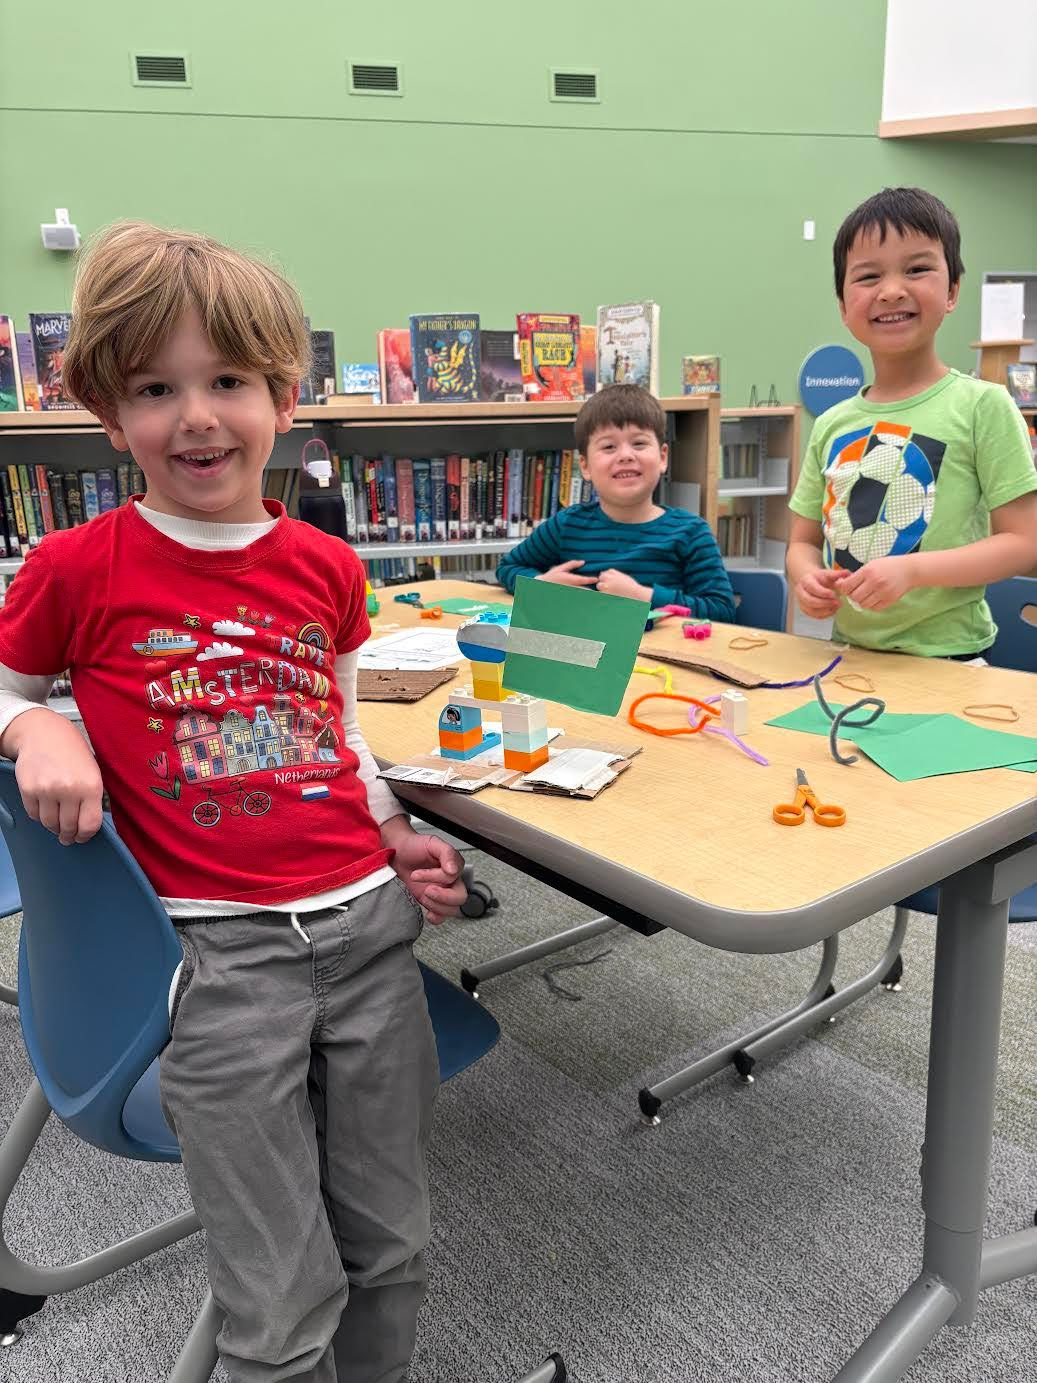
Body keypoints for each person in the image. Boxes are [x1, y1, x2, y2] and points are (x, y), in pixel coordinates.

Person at [0, 221, 468, 1383]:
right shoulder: (77, 568)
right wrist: (36, 720)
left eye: (228, 382)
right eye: (157, 388)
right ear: (113, 415)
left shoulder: (327, 567)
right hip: (217, 965)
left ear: (283, 397)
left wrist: (396, 835)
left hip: (368, 933)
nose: (197, 416)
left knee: (392, 1245)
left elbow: (339, 733)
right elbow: (1, 686)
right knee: (276, 1297)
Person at [788, 186, 1037, 656]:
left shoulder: (983, 405)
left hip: (951, 659)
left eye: (918, 269)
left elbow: (1024, 542)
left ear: (953, 291)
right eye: (867, 276)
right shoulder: (832, 424)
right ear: (843, 306)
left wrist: (913, 571)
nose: (892, 290)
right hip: (849, 653)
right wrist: (807, 578)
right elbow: (800, 544)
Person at [496, 383, 736, 622]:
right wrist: (542, 585)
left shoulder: (691, 532)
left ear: (663, 458)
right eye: (609, 446)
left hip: (663, 656)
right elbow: (508, 568)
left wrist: (644, 596)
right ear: (586, 466)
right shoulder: (567, 524)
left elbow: (722, 611)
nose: (625, 455)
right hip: (584, 652)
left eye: (639, 443)